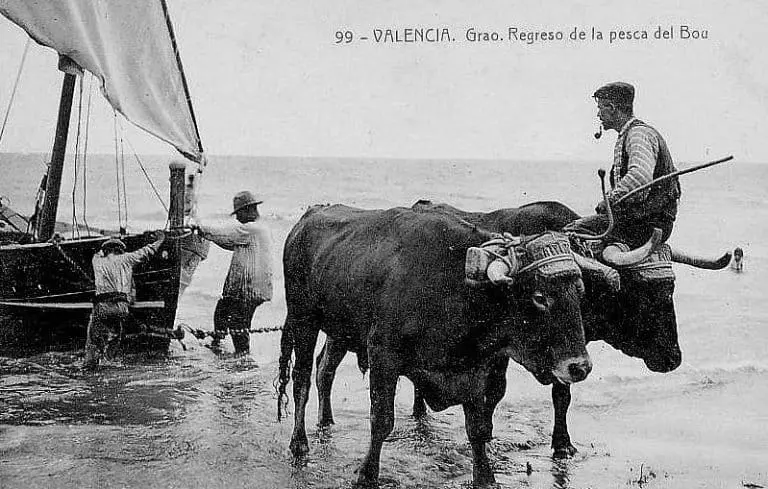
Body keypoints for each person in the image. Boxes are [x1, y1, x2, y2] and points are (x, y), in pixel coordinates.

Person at [566, 81, 682, 249]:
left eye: (600, 108)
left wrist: (610, 200)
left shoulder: (638, 134)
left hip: (646, 226)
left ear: (612, 108)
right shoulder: (631, 134)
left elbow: (640, 177)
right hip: (642, 221)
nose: (598, 114)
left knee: (572, 231)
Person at [193, 191, 273, 354]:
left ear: (248, 210)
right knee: (222, 311)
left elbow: (225, 234)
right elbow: (228, 242)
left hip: (249, 288)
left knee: (238, 323)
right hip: (251, 287)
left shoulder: (251, 229)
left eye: (239, 213)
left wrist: (200, 228)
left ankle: (242, 355)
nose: (237, 218)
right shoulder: (257, 230)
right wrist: (207, 235)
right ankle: (218, 344)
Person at [84, 231, 165, 370]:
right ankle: (109, 362)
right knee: (115, 336)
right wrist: (160, 240)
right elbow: (147, 251)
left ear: (106, 250)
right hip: (122, 308)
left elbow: (97, 252)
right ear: (120, 250)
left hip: (103, 307)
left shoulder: (96, 260)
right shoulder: (127, 258)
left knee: (93, 341)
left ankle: (90, 367)